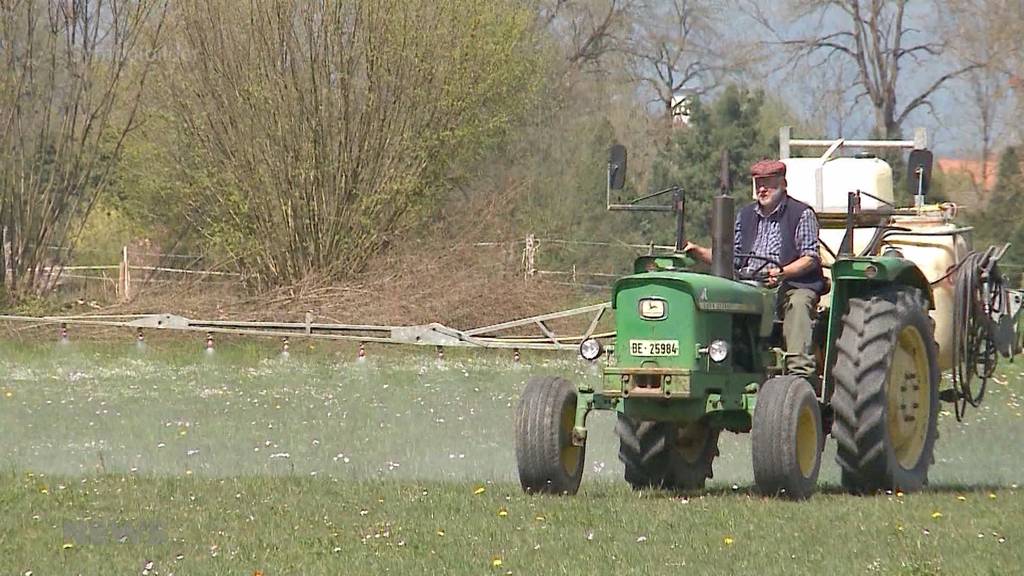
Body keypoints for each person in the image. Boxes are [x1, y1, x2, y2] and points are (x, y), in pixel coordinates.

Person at [684, 159, 827, 377]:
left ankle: (800, 373)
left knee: (798, 303)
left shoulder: (802, 213)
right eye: (758, 183)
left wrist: (783, 273)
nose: (762, 189)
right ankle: (716, 363)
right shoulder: (746, 215)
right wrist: (698, 252)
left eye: (768, 183)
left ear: (783, 184)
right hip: (749, 283)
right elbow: (730, 257)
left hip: (790, 284)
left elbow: (810, 257)